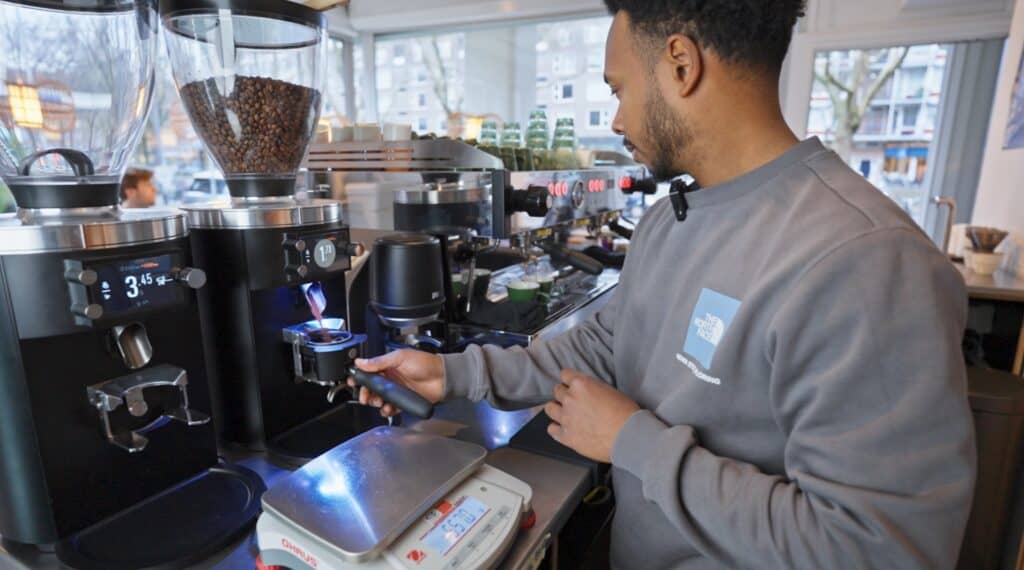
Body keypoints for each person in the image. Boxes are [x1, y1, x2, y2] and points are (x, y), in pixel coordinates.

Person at [351, 1, 976, 568]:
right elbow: (605, 345)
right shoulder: (669, 221)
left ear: (681, 64)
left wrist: (633, 442)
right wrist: (454, 375)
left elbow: (876, 548)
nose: (617, 118)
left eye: (619, 88)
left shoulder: (867, 261)